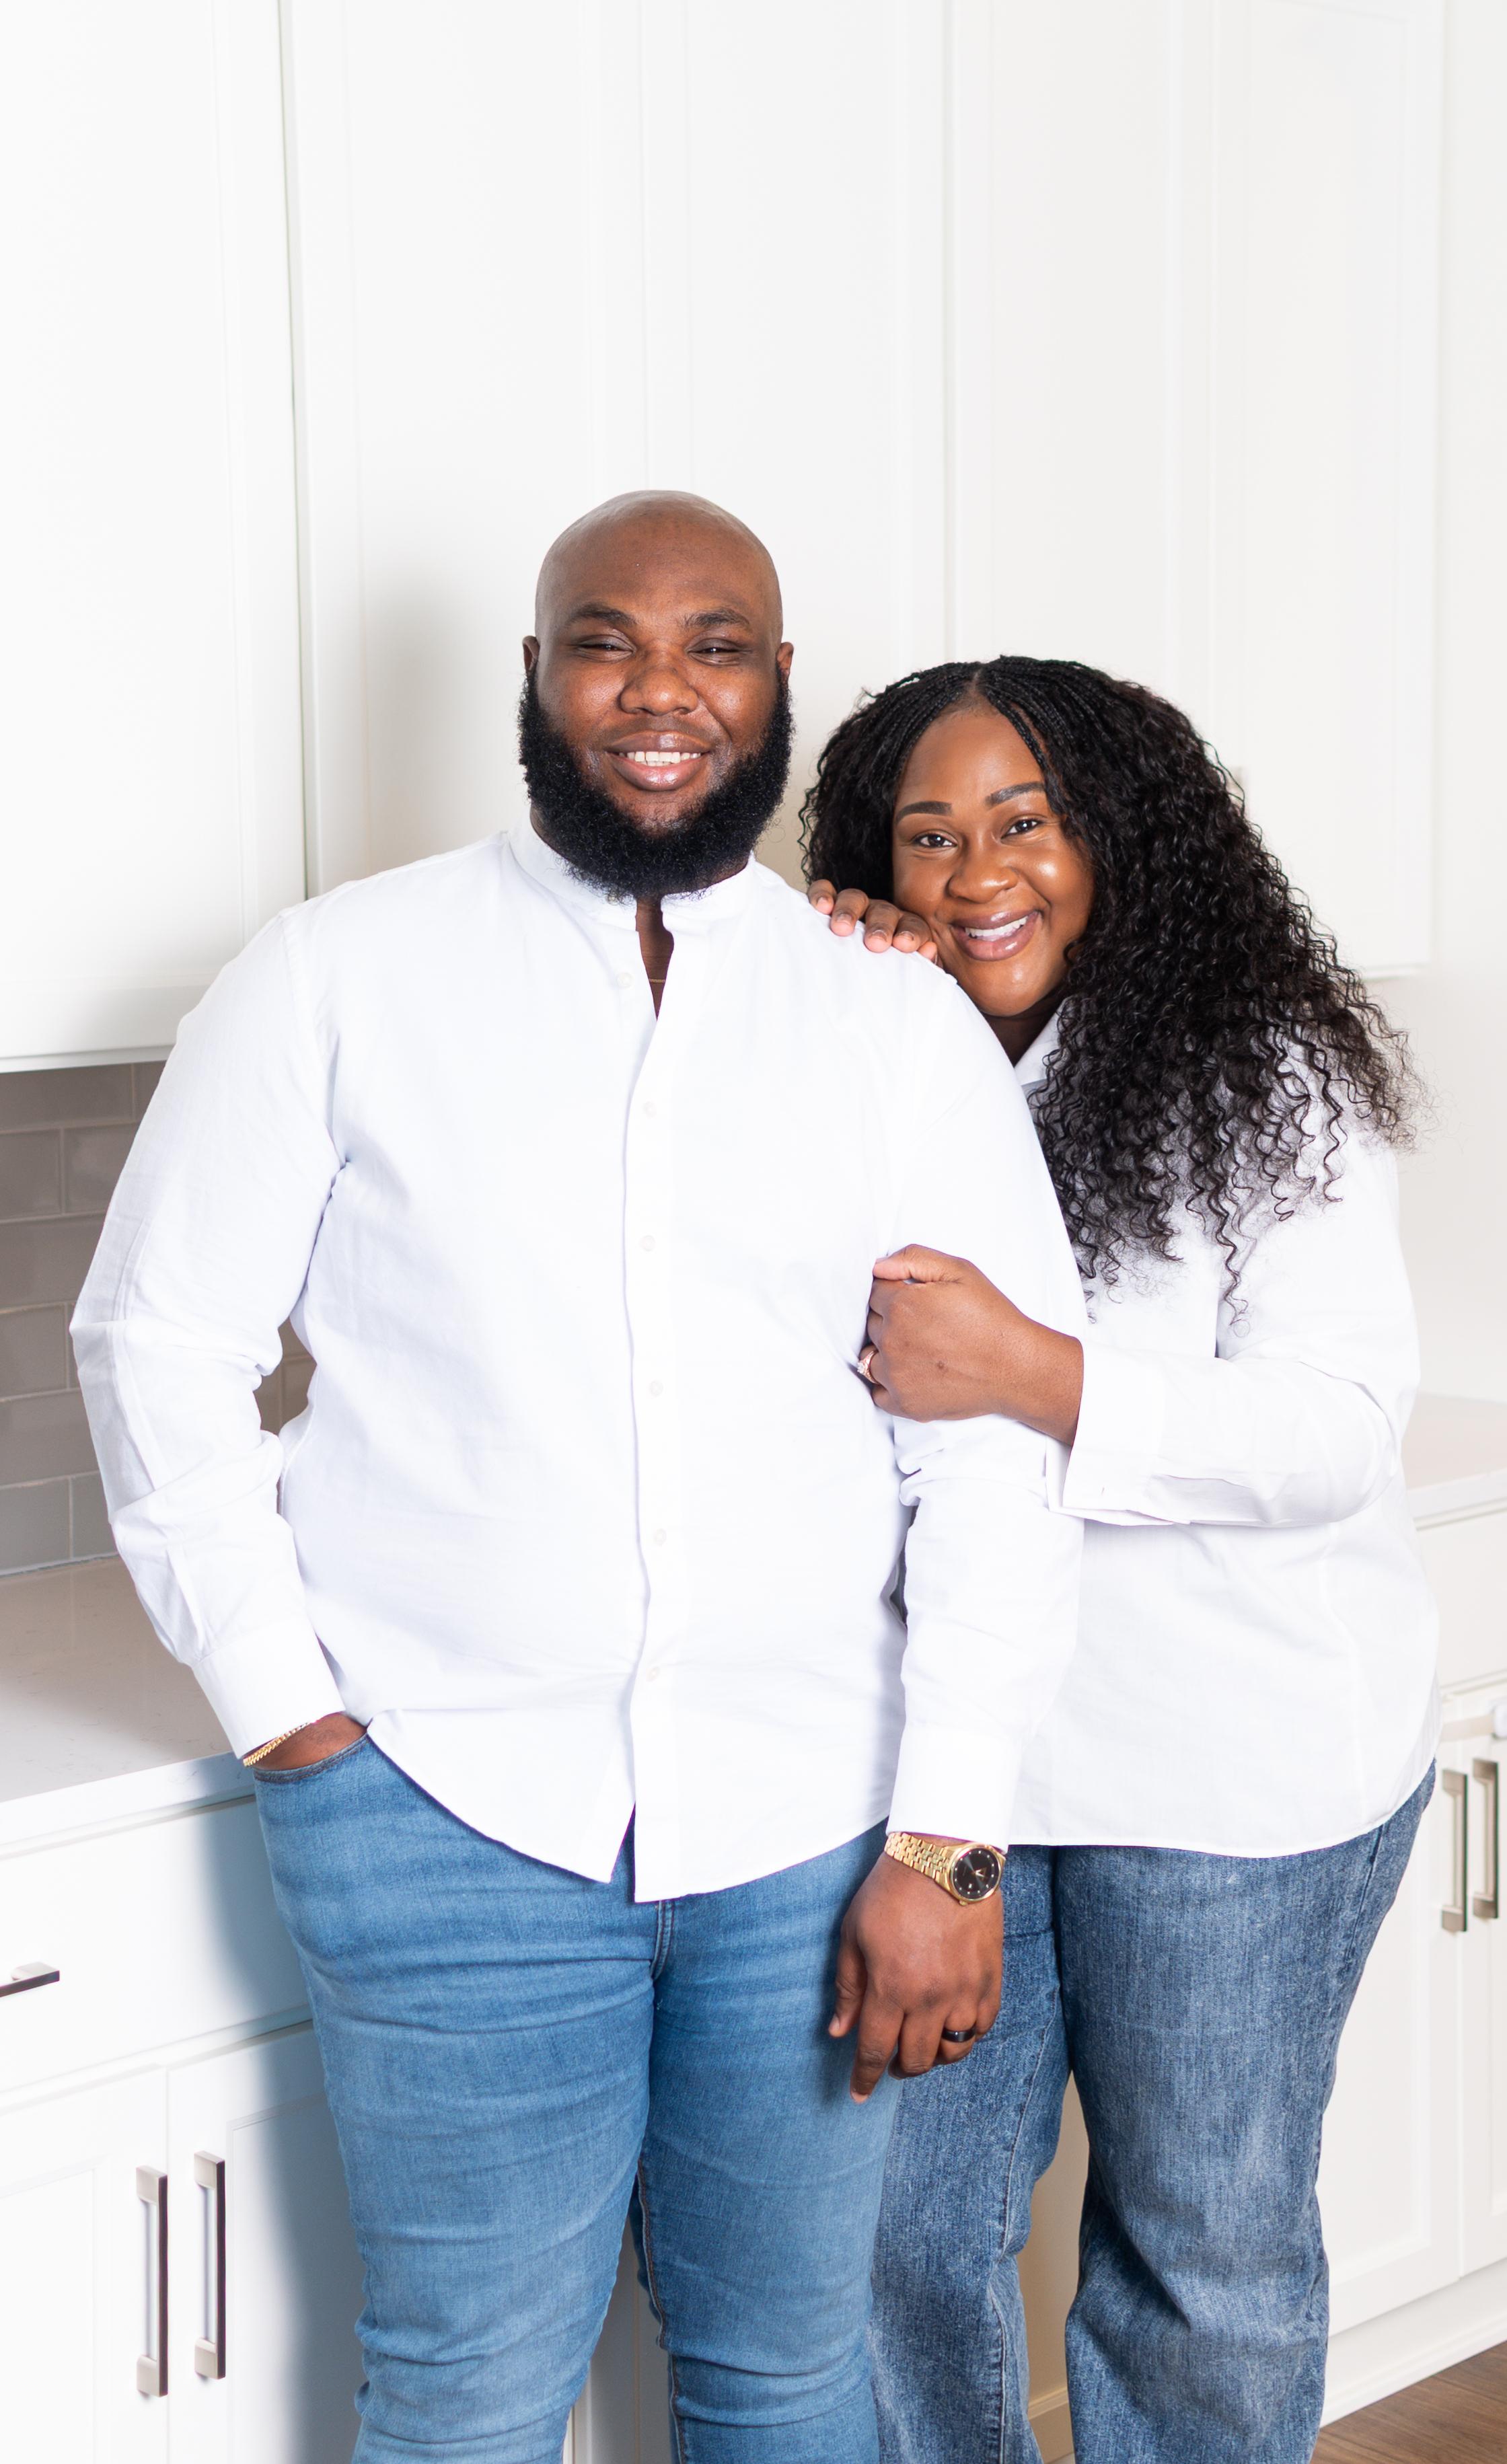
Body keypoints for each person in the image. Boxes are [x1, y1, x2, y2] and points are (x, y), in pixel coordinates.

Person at [71, 504, 1086, 2464]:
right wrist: (296, 1726)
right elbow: (155, 1345)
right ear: (535, 679)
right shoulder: (337, 975)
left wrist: (949, 1841)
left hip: (817, 1827)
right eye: (605, 643)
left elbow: (980, 1456)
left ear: (777, 684)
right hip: (442, 1814)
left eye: (715, 645)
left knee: (788, 2374)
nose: (659, 692)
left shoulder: (884, 1013)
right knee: (462, 2394)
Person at [804, 655, 1440, 2464]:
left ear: (1121, 842)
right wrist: (810, 972)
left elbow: (1333, 1429)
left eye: (1027, 822)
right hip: (954, 1777)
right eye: (926, 836)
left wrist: (1035, 1372)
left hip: (1231, 1774)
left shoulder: (1266, 1076)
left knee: (1200, 2256)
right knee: (893, 2237)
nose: (977, 873)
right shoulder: (856, 1058)